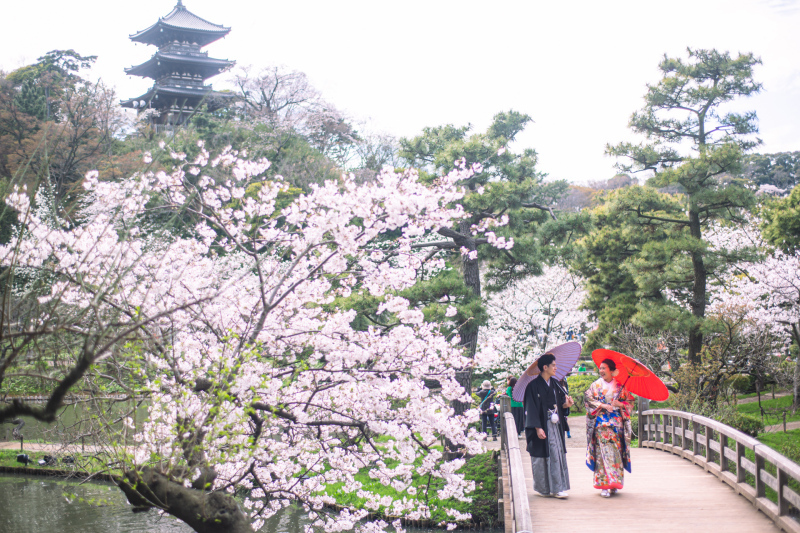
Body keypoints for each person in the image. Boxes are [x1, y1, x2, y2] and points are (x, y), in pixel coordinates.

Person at [523, 353, 574, 498]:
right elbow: (530, 408)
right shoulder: (532, 386)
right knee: (543, 456)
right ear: (545, 367)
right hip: (542, 424)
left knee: (556, 454)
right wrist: (537, 427)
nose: (556, 368)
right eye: (553, 365)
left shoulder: (556, 383)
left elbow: (559, 405)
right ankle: (543, 488)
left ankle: (558, 488)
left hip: (555, 425)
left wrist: (566, 404)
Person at [584, 358, 635, 497]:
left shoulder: (620, 386)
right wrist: (602, 405)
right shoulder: (595, 386)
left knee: (616, 453)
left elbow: (630, 401)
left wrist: (620, 404)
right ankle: (604, 485)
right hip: (601, 423)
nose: (601, 371)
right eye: (600, 368)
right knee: (602, 454)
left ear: (612, 371)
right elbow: (588, 400)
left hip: (617, 425)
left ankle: (614, 483)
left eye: (604, 368)